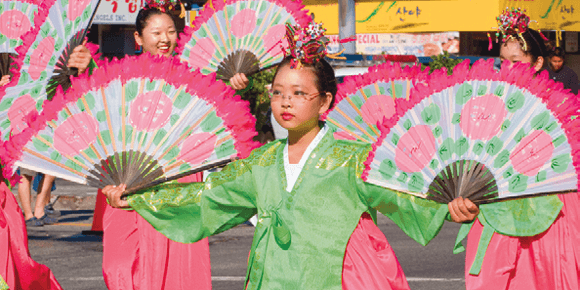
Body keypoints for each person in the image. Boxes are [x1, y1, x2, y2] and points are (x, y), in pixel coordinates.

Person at [103, 21, 478, 290]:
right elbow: (206, 198)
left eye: (300, 93)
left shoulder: (355, 159)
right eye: (279, 92)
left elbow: (406, 192)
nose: (286, 101)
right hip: (273, 277)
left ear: (326, 101)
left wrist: (450, 205)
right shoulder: (261, 162)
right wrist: (139, 198)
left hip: (341, 277)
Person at [462, 10, 580, 290]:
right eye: (502, 61)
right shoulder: (487, 105)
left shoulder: (562, 107)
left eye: (516, 61)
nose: (507, 69)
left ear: (538, 62)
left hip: (552, 211)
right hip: (498, 211)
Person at [99, 6, 214, 290]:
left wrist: (234, 85)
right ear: (138, 38)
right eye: (157, 32)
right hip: (130, 177)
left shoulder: (192, 78)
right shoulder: (120, 79)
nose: (166, 39)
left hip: (177, 179)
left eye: (172, 32)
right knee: (119, 267)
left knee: (176, 266)